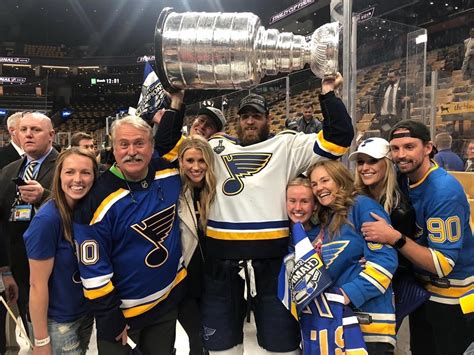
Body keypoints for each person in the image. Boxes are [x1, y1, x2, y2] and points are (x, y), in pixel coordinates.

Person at [157, 73, 354, 354]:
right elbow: (166, 147)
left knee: (282, 347)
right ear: (237, 120)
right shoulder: (214, 147)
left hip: (273, 265)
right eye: (245, 116)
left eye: (256, 116)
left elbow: (339, 139)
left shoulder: (288, 145)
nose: (250, 121)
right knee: (222, 348)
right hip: (220, 264)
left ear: (268, 119)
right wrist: (176, 101)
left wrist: (327, 93)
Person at [73, 93, 187, 355]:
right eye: (123, 144)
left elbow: (174, 140)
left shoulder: (168, 173)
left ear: (151, 146)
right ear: (113, 148)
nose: (132, 151)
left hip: (166, 303)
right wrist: (109, 316)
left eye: (139, 143)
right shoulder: (97, 200)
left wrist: (177, 100)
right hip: (122, 317)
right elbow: (93, 269)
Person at [362, 119, 474, 355]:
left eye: (409, 147)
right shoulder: (404, 178)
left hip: (452, 297)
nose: (401, 155)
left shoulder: (444, 191)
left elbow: (442, 265)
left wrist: (395, 238)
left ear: (428, 148)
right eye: (395, 148)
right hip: (422, 292)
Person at [308, 160, 398, 354]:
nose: (319, 188)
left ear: (340, 180)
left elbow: (384, 264)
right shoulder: (328, 217)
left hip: (369, 323)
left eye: (325, 180)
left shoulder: (363, 207)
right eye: (314, 184)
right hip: (337, 322)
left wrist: (345, 294)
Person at [23, 148, 98, 354]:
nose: (78, 179)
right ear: (59, 175)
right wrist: (41, 340)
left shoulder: (90, 213)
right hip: (57, 322)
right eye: (70, 172)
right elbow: (37, 285)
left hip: (83, 314)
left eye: (85, 172)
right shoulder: (47, 220)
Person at [0, 112, 58, 330]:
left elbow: (82, 208)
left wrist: (44, 197)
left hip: (57, 268)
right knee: (34, 333)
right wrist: (5, 270)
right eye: (23, 130)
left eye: (36, 130)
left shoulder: (67, 166)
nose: (28, 135)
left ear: (51, 135)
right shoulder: (8, 172)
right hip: (20, 270)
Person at [177, 136, 216, 355]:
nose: (196, 167)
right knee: (197, 337)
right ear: (181, 161)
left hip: (214, 279)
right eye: (190, 160)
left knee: (211, 338)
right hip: (185, 281)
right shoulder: (175, 192)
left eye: (201, 161)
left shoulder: (219, 192)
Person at [374, 69, 411, 136]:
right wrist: (378, 111)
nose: (388, 79)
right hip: (384, 117)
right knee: (385, 134)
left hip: (396, 117)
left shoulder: (403, 86)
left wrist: (408, 98)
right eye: (388, 77)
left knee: (396, 135)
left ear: (397, 77)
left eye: (391, 77)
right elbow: (375, 98)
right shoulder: (383, 85)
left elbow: (414, 96)